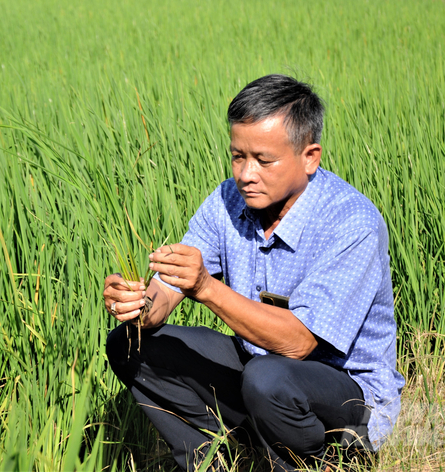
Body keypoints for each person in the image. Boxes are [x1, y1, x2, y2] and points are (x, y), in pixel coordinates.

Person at [103, 74, 405, 471]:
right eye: (237, 156)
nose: (246, 174)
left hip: (345, 396)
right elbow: (166, 294)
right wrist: (137, 305)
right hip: (259, 370)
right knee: (130, 343)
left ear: (310, 157)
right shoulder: (227, 200)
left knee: (268, 378)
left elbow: (298, 344)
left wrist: (207, 288)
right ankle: (208, 461)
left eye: (264, 160)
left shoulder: (352, 223)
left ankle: (322, 462)